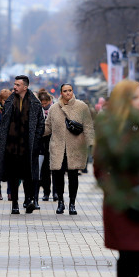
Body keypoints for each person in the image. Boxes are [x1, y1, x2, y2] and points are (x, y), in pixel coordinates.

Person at [94, 79, 139, 277]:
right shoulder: (111, 128)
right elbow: (100, 169)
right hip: (121, 200)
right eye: (135, 98)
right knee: (129, 252)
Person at [0, 75, 45, 214]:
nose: (14, 87)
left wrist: (37, 140)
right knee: (13, 176)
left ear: (25, 87)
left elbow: (40, 124)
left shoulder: (35, 103)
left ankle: (28, 200)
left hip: (28, 145)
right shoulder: (9, 102)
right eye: (14, 84)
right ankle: (14, 203)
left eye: (18, 85)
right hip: (11, 146)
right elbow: (4, 124)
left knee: (28, 176)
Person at [43, 83, 94, 216]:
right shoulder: (54, 108)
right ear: (61, 93)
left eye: (70, 90)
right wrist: (35, 131)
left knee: (73, 176)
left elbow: (88, 126)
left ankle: (72, 203)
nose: (68, 93)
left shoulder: (81, 106)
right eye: (65, 91)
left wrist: (91, 144)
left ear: (73, 91)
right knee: (58, 176)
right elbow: (48, 126)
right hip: (58, 147)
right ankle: (60, 202)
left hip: (75, 147)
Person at [37, 90, 54, 202]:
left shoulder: (55, 110)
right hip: (42, 143)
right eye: (42, 104)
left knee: (57, 170)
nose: (44, 106)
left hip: (54, 142)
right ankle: (46, 192)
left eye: (45, 103)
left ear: (49, 101)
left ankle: (56, 192)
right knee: (45, 170)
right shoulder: (38, 111)